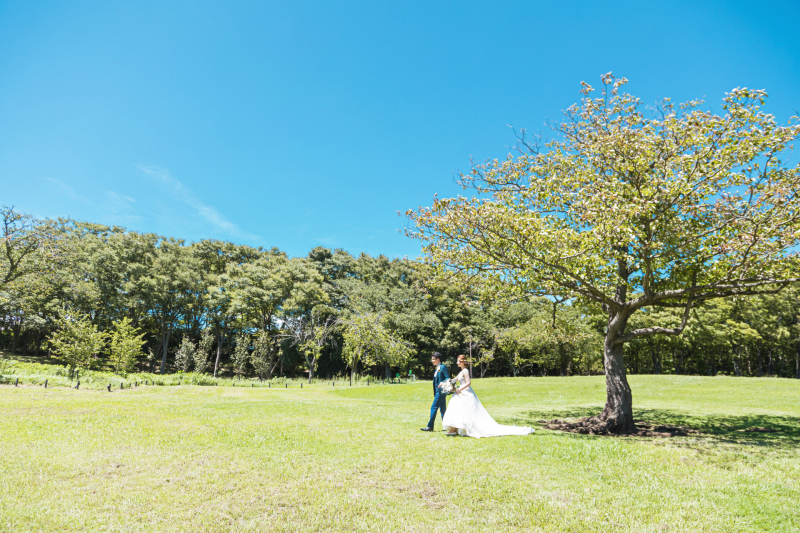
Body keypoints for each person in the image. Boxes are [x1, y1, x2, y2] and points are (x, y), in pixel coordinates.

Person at [442, 355, 534, 438]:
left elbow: (469, 383)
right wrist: (445, 384)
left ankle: (459, 429)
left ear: (462, 362)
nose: (457, 362)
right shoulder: (461, 371)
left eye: (458, 361)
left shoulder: (465, 371)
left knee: (463, 410)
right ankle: (454, 429)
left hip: (464, 392)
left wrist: (460, 389)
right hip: (459, 392)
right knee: (456, 409)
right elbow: (454, 379)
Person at [420, 352, 450, 432]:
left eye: (433, 359)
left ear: (438, 359)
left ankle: (430, 426)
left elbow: (448, 378)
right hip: (438, 392)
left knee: (433, 407)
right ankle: (446, 426)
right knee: (443, 410)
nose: (432, 361)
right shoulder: (437, 368)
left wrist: (442, 383)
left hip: (440, 392)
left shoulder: (443, 367)